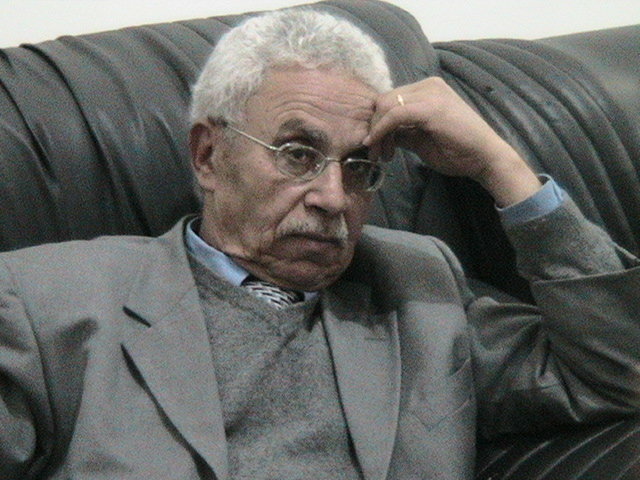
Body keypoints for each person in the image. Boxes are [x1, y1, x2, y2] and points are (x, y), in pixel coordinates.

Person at [1, 7, 639, 480]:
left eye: (359, 166)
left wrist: (501, 167)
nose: (334, 197)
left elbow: (618, 374)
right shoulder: (47, 304)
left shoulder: (419, 288)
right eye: (297, 153)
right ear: (208, 155)